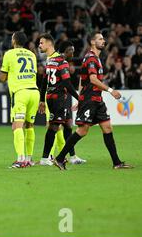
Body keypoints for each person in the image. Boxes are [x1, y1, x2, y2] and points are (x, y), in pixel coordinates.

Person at [53, 33, 134, 170]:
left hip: (96, 99)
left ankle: (117, 163)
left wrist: (79, 98)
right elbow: (93, 80)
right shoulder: (91, 58)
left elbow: (81, 79)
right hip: (90, 99)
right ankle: (60, 158)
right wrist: (110, 90)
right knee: (83, 130)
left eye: (103, 39)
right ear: (92, 42)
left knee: (107, 127)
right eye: (100, 39)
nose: (104, 41)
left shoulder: (95, 58)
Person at [37, 33, 86, 166]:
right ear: (66, 51)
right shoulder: (62, 62)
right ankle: (45, 158)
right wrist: (79, 98)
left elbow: (44, 81)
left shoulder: (50, 60)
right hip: (58, 98)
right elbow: (67, 84)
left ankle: (73, 156)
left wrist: (42, 99)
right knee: (53, 127)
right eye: (71, 51)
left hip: (55, 97)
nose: (73, 54)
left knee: (68, 125)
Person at [0, 32, 39, 168]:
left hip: (20, 93)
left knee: (17, 126)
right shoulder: (32, 55)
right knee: (29, 125)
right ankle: (29, 159)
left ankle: (20, 159)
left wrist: (8, 73)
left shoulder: (9, 54)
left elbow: (2, 78)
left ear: (14, 40)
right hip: (34, 92)